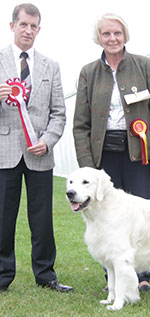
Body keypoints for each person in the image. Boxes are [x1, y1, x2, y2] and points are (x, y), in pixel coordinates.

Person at [73, 13, 150, 291]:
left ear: (125, 35)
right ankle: (112, 278)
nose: (112, 39)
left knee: (143, 218)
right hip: (103, 158)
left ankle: (142, 278)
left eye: (117, 33)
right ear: (99, 38)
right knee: (106, 218)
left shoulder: (144, 65)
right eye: (106, 34)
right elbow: (81, 123)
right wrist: (87, 169)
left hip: (141, 153)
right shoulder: (88, 72)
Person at [0, 3, 72, 292]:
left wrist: (48, 140)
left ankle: (46, 275)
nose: (28, 30)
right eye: (23, 25)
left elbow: (59, 113)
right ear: (12, 26)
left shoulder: (50, 66)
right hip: (5, 153)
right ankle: (2, 276)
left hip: (40, 154)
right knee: (3, 218)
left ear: (39, 29)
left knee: (42, 219)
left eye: (34, 26)